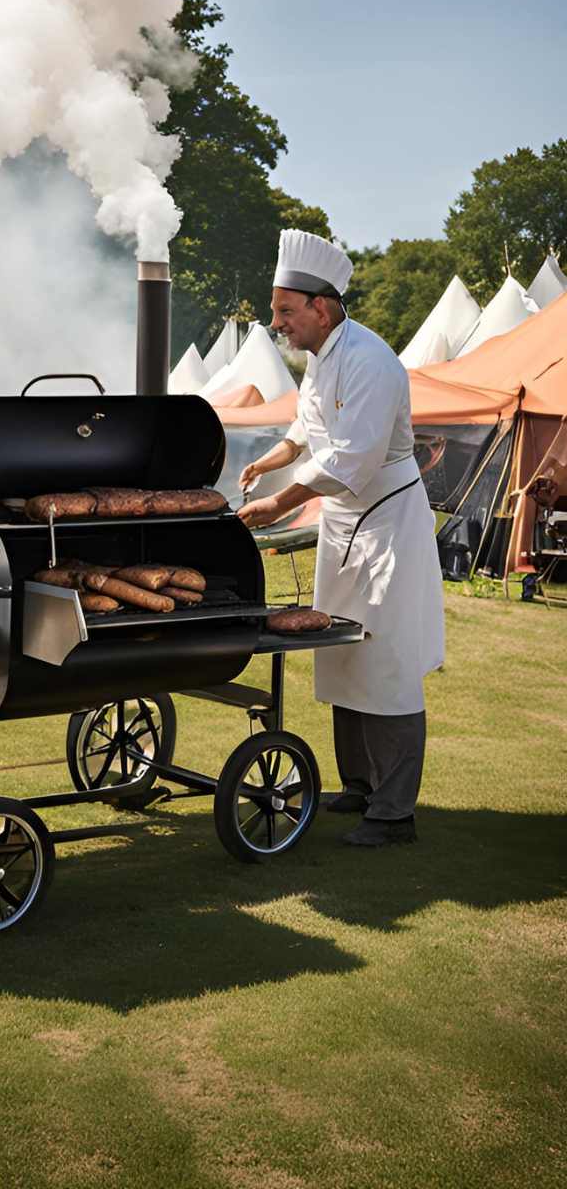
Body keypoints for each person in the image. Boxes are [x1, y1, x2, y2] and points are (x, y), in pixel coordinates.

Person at [237, 228, 445, 848]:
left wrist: (281, 500)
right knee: (342, 651)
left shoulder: (372, 360)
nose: (278, 325)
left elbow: (352, 458)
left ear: (320, 307)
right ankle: (358, 784)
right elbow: (307, 430)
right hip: (343, 521)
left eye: (284, 312)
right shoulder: (320, 357)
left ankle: (394, 813)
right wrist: (268, 462)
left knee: (387, 661)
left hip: (387, 522)